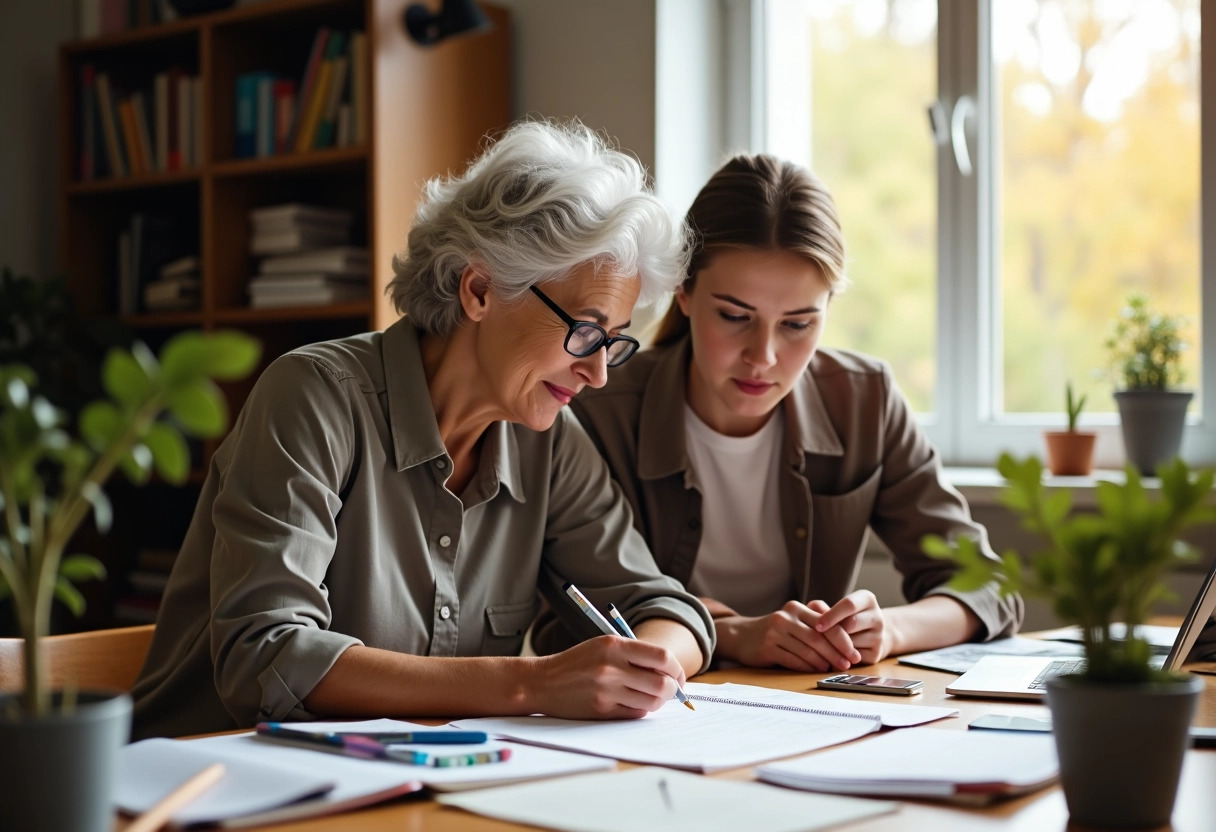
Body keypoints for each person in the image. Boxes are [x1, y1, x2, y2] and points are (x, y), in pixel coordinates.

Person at [130, 121, 714, 740]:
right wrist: (532, 684)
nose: (598, 373)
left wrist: (647, 666)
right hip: (208, 784)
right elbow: (266, 658)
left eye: (615, 342)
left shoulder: (550, 437)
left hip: (407, 784)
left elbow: (666, 609)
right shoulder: (314, 397)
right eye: (587, 332)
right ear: (480, 289)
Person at [537, 153, 1023, 673]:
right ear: (683, 290)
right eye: (734, 316)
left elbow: (988, 586)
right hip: (660, 713)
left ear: (828, 310)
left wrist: (891, 629)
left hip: (809, 709)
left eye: (797, 324)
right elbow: (564, 623)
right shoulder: (595, 405)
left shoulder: (865, 401)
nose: (763, 356)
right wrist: (731, 635)